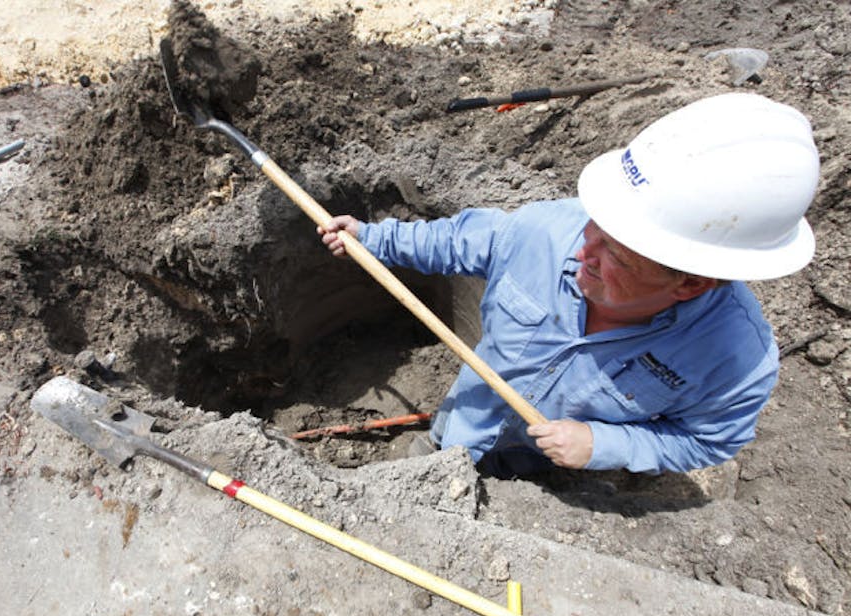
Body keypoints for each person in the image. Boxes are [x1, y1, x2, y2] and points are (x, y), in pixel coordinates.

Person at [318, 93, 820, 478]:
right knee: (430, 460)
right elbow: (454, 242)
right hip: (463, 423)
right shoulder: (548, 231)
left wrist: (603, 446)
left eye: (615, 256)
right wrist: (374, 238)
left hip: (539, 468)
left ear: (691, 282)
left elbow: (706, 443)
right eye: (594, 228)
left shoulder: (735, 363)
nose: (582, 253)